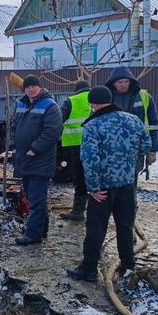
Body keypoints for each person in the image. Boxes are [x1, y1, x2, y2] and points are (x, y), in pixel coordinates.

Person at [66, 85, 151, 282]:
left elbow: (89, 159)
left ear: (93, 104)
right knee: (125, 226)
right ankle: (128, 267)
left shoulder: (93, 126)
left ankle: (88, 269)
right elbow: (146, 146)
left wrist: (93, 188)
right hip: (127, 184)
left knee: (96, 228)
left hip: (102, 188)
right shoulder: (134, 120)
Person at [12, 75, 63, 245]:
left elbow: (52, 132)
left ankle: (33, 235)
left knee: (36, 198)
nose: (30, 89)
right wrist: (14, 143)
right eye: (27, 87)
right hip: (24, 158)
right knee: (33, 197)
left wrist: (35, 149)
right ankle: (42, 229)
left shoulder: (50, 106)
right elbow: (14, 126)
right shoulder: (21, 104)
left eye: (34, 86)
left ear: (40, 87)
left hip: (40, 159)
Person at [104, 66, 158, 190]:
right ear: (113, 83)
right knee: (111, 181)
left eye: (126, 82)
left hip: (135, 147)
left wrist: (153, 149)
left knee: (131, 181)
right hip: (111, 147)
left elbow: (153, 125)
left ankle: (130, 206)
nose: (123, 85)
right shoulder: (107, 97)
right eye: (120, 82)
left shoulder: (144, 97)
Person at [58, 79, 91, 221]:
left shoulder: (71, 101)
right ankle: (96, 209)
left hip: (76, 145)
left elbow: (58, 120)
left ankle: (78, 211)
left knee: (80, 178)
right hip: (96, 145)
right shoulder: (98, 98)